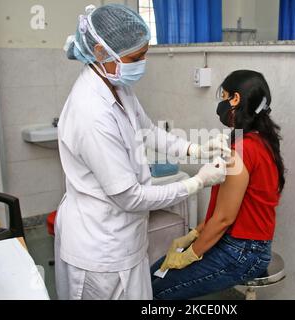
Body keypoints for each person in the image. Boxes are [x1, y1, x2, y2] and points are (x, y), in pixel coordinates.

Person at [55, 4, 230, 300]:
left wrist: (194, 148)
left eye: (144, 53)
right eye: (136, 57)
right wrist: (196, 183)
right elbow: (130, 197)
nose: (143, 62)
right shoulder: (91, 114)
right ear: (100, 52)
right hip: (100, 249)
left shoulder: (117, 86)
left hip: (125, 239)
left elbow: (147, 131)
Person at [150, 70, 286, 300]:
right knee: (151, 276)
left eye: (223, 96)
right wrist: (194, 234)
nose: (220, 104)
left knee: (156, 290)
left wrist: (189, 255)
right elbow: (225, 209)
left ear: (235, 99)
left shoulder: (243, 151)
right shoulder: (258, 139)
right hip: (232, 242)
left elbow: (224, 218)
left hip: (243, 252)